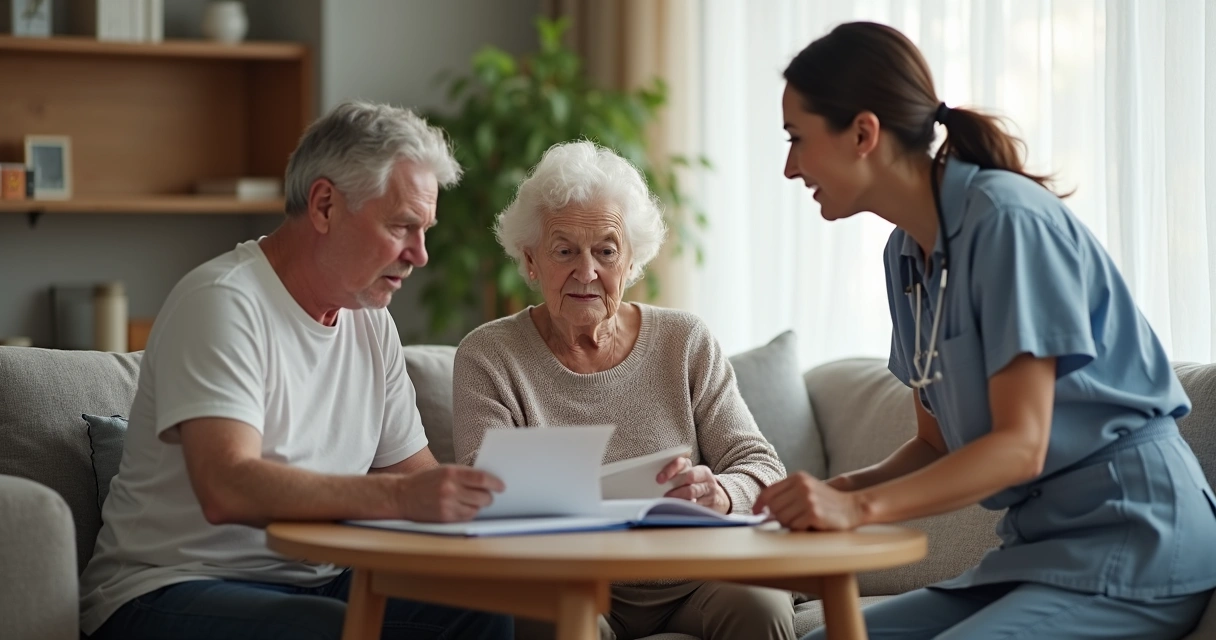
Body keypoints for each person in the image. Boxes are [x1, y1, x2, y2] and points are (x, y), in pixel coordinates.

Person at [754, 21, 1216, 640]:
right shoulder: (905, 256)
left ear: (863, 132)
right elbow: (934, 445)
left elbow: (1020, 445)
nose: (789, 167)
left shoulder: (1007, 223)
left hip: (1137, 538)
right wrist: (828, 491)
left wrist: (855, 510)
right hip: (1036, 549)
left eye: (797, 139)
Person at [80, 101, 512, 640]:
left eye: (424, 231)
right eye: (403, 226)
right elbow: (226, 487)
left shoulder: (370, 321)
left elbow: (413, 477)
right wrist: (405, 501)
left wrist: (518, 505)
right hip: (168, 587)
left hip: (317, 582)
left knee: (480, 611)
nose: (420, 255)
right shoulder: (223, 302)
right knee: (330, 630)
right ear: (326, 205)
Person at [452, 140, 794, 640]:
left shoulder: (685, 341)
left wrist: (720, 492)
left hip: (697, 580)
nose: (586, 271)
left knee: (760, 608)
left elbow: (763, 467)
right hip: (568, 582)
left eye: (606, 252)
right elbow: (484, 498)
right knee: (563, 622)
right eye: (564, 250)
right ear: (530, 262)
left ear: (632, 262)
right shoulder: (489, 356)